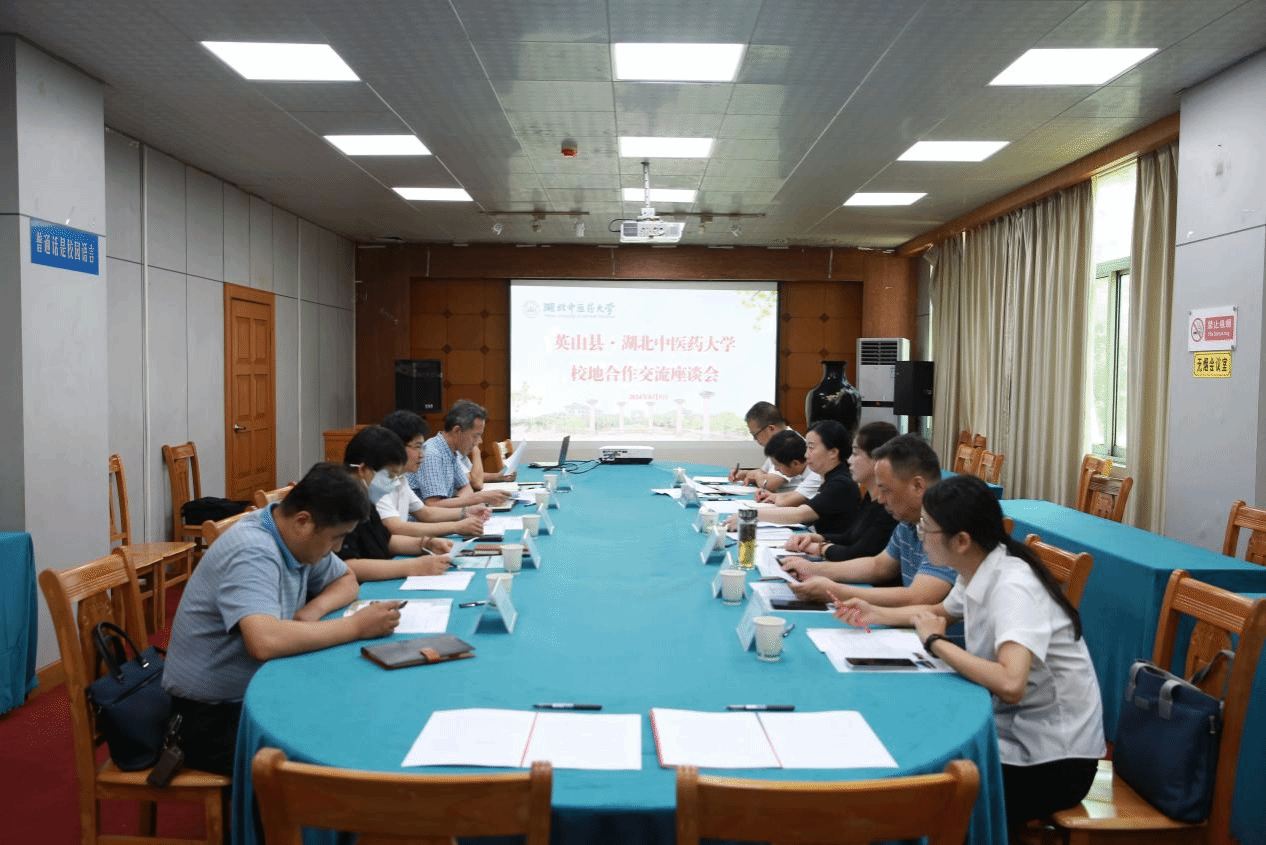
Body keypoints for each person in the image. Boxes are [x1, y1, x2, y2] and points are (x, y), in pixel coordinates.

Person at [832, 474, 1105, 830]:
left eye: (926, 529)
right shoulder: (977, 565)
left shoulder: (1013, 587)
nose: (920, 536)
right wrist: (876, 614)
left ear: (961, 540)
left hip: (1051, 761)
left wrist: (936, 643)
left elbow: (1011, 683)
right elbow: (938, 613)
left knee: (919, 793)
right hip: (1011, 730)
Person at [162, 462, 403, 775]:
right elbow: (263, 641)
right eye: (336, 538)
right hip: (212, 716)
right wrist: (356, 626)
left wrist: (312, 611)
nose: (337, 548)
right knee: (337, 744)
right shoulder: (253, 550)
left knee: (359, 708)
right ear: (303, 521)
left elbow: (346, 579)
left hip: (253, 691)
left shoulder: (292, 536)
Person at [783, 433, 957, 607]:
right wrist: (812, 569)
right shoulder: (909, 521)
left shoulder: (948, 527)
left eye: (885, 489)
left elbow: (918, 597)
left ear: (917, 486)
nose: (880, 499)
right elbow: (878, 566)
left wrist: (835, 592)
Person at [341, 425, 455, 579]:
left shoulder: (365, 498)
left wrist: (425, 544)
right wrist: (413, 567)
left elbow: (384, 540)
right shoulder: (339, 501)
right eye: (389, 476)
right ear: (363, 470)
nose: (391, 485)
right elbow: (346, 565)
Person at [781, 420, 898, 561]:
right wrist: (819, 537)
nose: (849, 460)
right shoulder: (869, 495)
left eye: (855, 453)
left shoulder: (843, 484)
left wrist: (821, 548)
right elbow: (850, 536)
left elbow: (859, 553)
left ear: (877, 460)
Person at [735, 420, 861, 536]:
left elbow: (799, 514)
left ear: (833, 452)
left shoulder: (840, 483)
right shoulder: (831, 478)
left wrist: (750, 515)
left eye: (811, 448)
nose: (806, 455)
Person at [380, 409, 488, 544]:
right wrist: (456, 526)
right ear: (395, 447)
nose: (422, 455)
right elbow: (396, 528)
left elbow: (425, 512)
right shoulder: (378, 482)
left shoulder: (400, 478)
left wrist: (466, 512)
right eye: (417, 447)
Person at [417, 401, 511, 509]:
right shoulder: (432, 454)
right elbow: (434, 505)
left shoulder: (451, 451)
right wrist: (480, 498)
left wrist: (476, 503)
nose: (479, 441)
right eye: (476, 435)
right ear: (457, 431)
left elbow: (466, 488)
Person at [729, 402, 801, 492]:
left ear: (771, 429)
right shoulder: (778, 443)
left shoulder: (790, 443)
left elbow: (768, 484)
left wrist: (756, 474)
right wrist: (745, 474)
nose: (755, 440)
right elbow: (764, 473)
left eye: (755, 435)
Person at [753, 429, 821, 506]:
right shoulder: (808, 469)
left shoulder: (816, 473)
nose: (776, 469)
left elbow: (785, 502)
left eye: (777, 465)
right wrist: (771, 495)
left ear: (795, 463)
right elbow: (797, 493)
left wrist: (775, 497)